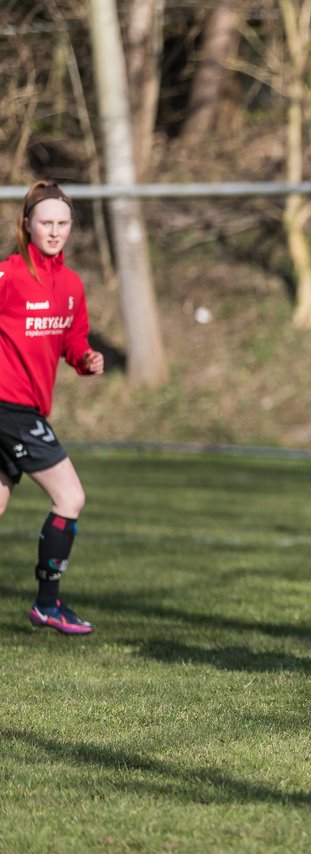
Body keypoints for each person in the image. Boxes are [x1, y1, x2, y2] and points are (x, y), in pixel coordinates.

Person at [0, 180, 105, 632]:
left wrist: (86, 359)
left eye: (63, 223)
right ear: (27, 225)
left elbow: (72, 341)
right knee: (71, 496)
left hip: (27, 410)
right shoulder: (8, 277)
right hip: (9, 408)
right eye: (46, 222)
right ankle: (48, 603)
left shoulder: (71, 284)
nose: (55, 230)